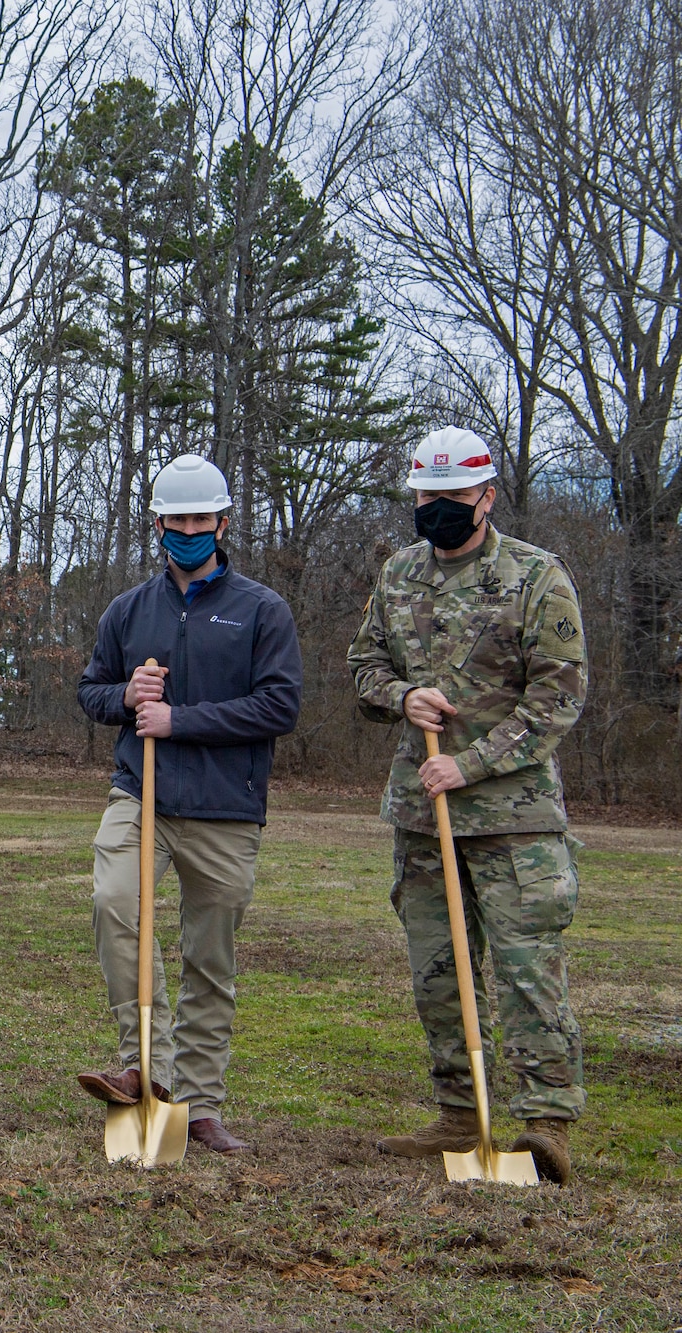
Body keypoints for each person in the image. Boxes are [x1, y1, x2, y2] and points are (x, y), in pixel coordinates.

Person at [348, 428, 587, 1184]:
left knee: (526, 970)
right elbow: (364, 665)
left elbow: (560, 695)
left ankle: (546, 1122)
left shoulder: (536, 577)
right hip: (423, 818)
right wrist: (401, 694)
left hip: (514, 820)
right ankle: (459, 1112)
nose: (438, 510)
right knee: (438, 971)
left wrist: (473, 762)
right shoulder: (399, 576)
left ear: (486, 496)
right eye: (426, 498)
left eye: (452, 498)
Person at [73, 454, 302, 1155]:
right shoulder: (127, 610)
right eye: (178, 520)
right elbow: (90, 690)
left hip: (226, 808)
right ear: (159, 524)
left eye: (202, 519)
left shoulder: (262, 610)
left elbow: (280, 704)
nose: (190, 530)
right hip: (141, 791)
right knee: (116, 901)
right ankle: (146, 1065)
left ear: (223, 523)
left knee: (210, 957)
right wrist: (126, 698)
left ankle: (199, 1105)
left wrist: (180, 718)